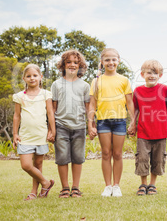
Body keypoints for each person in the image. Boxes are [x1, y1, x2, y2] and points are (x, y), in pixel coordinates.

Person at [129, 60, 167, 196]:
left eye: (155, 73)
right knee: (142, 158)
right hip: (143, 131)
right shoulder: (138, 91)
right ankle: (143, 184)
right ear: (143, 74)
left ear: (160, 75)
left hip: (161, 131)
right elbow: (135, 110)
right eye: (149, 72)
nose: (152, 75)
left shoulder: (164, 89)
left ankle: (152, 185)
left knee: (158, 159)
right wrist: (132, 124)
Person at [88, 48, 135, 197]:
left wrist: (133, 121)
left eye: (114, 59)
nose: (111, 62)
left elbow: (130, 103)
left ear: (118, 61)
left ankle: (116, 186)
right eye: (107, 60)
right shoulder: (96, 81)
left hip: (120, 121)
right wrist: (90, 124)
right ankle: (107, 186)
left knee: (118, 153)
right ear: (102, 62)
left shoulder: (124, 80)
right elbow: (92, 104)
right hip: (103, 121)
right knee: (106, 153)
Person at [51, 49, 90, 198]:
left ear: (80, 65)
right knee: (62, 159)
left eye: (76, 62)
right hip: (61, 126)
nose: (72, 65)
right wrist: (52, 130)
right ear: (63, 65)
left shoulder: (85, 86)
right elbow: (53, 109)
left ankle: (75, 188)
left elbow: (88, 109)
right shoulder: (56, 84)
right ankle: (65, 188)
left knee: (78, 158)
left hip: (79, 126)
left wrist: (91, 126)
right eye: (69, 62)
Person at [12, 64, 55, 201]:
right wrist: (15, 134)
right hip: (25, 136)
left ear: (40, 77)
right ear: (24, 78)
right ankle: (46, 182)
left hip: (41, 135)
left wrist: (52, 131)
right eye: (29, 76)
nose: (32, 78)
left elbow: (50, 113)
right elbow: (16, 116)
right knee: (26, 165)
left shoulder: (45, 94)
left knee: (38, 164)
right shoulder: (19, 96)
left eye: (35, 75)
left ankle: (34, 192)